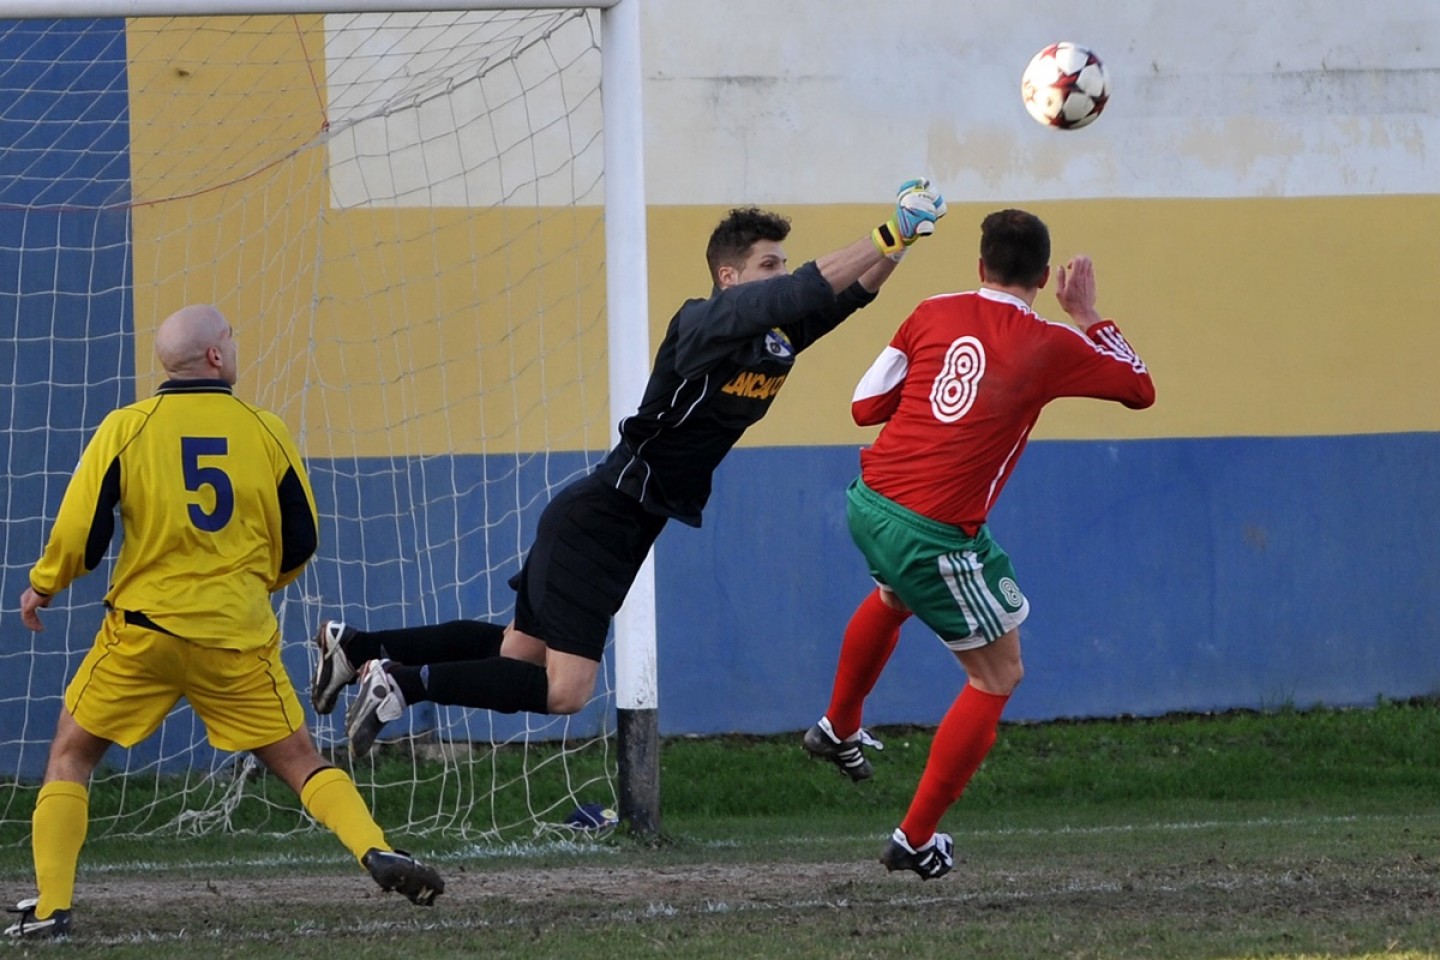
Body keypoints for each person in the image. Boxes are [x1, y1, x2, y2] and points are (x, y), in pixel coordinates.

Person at [309, 179, 949, 758]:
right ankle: (398, 682)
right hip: (601, 521)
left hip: (607, 521)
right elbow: (804, 286)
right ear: (729, 277)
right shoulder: (703, 321)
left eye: (782, 262)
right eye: (768, 263)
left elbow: (845, 297)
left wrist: (904, 243)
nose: (781, 273)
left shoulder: (772, 339)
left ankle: (358, 647)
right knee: (565, 691)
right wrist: (884, 229)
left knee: (516, 653)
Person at [6, 305, 443, 940]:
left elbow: (82, 532)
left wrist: (43, 585)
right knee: (299, 760)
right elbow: (301, 538)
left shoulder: (125, 427)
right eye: (230, 339)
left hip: (143, 633)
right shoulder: (264, 430)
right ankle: (374, 849)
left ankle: (51, 907)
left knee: (71, 754)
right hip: (237, 636)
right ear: (216, 356)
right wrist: (254, 584)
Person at [802, 209, 1155, 880]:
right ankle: (914, 840)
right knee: (998, 674)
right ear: (1046, 277)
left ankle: (838, 725)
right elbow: (1139, 388)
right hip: (932, 530)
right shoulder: (1052, 341)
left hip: (871, 500)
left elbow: (864, 406)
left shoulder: (933, 310)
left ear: (979, 267)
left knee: (893, 593)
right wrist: (1087, 315)